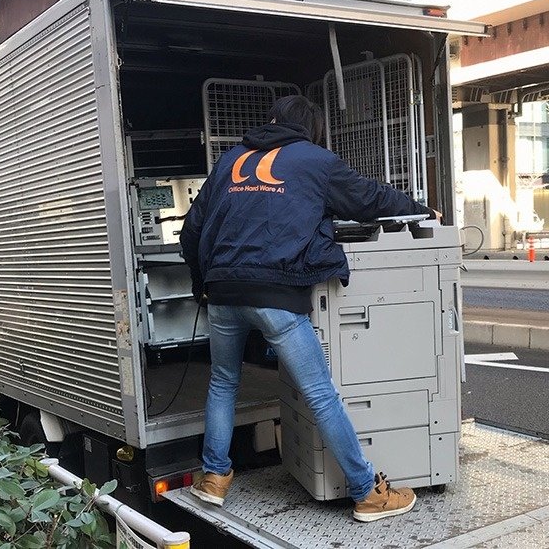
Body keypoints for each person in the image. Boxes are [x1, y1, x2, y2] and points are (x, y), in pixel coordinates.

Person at [180, 95, 440, 522]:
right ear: (311, 130)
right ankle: (366, 492)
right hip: (275, 294)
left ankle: (213, 479)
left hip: (223, 290)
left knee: (224, 383)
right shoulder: (315, 161)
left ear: (272, 121)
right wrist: (420, 211)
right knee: (321, 394)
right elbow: (368, 199)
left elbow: (192, 231)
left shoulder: (230, 160)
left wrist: (201, 284)